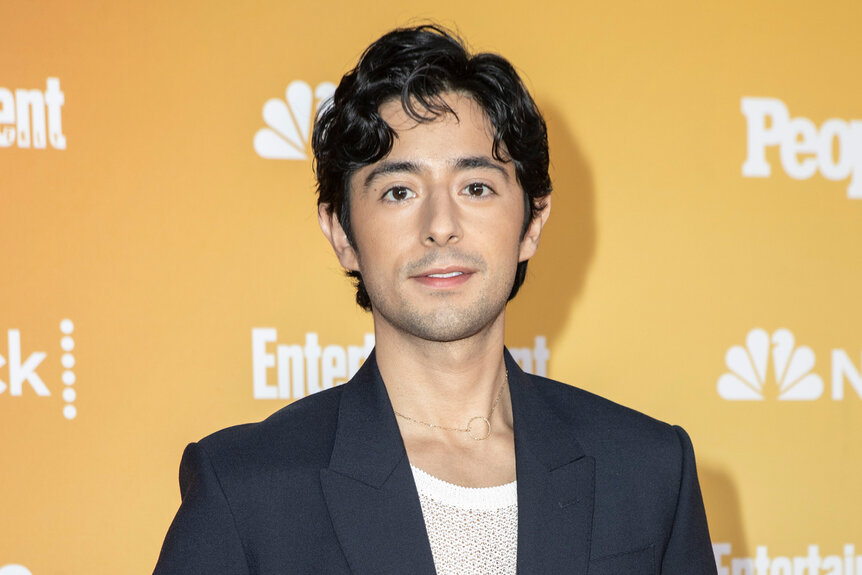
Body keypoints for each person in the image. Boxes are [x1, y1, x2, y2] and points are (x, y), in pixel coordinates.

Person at [154, 24, 717, 574]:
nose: (441, 226)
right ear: (342, 233)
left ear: (531, 221)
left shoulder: (647, 471)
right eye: (400, 191)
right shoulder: (249, 488)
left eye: (476, 188)